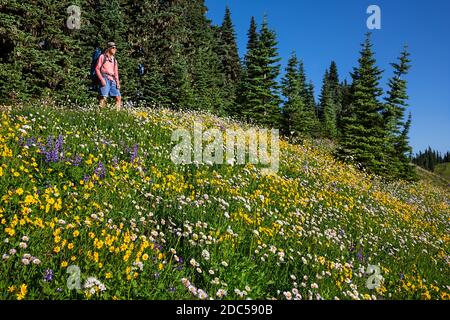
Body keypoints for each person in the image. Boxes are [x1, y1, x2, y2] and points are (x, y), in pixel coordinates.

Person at [96, 42, 121, 110]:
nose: (115, 49)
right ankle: (100, 114)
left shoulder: (114, 60)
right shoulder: (102, 57)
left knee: (118, 97)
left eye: (115, 48)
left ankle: (117, 114)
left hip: (112, 79)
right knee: (103, 97)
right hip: (105, 78)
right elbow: (97, 69)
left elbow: (116, 73)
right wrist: (101, 79)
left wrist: (117, 82)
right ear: (109, 48)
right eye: (113, 48)